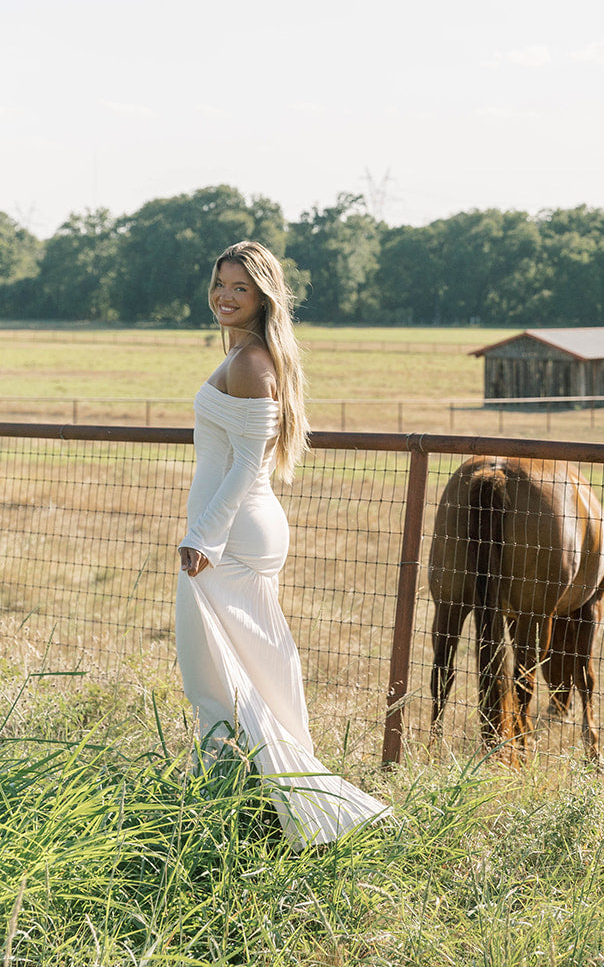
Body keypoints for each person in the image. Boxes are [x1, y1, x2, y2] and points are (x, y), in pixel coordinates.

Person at [176, 239, 389, 850]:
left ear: (262, 296)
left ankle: (244, 807)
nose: (224, 295)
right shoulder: (253, 355)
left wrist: (202, 536)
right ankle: (271, 801)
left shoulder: (251, 363)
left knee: (214, 677)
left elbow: (246, 465)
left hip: (232, 536)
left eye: (239, 287)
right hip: (243, 531)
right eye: (219, 283)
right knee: (251, 672)